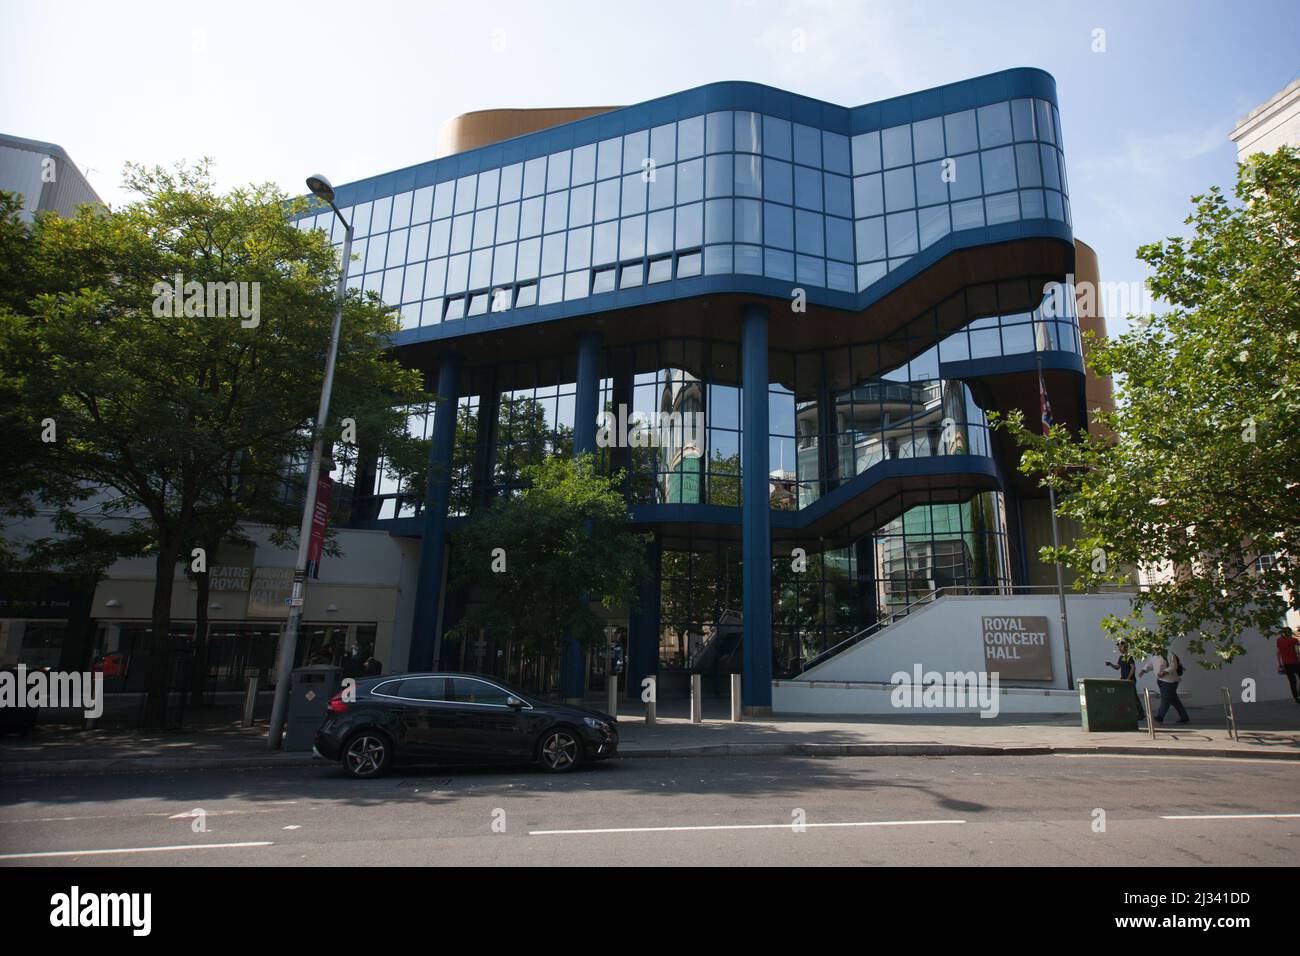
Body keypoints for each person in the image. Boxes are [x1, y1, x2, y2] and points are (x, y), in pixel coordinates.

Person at [1105, 641, 1149, 720]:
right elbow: (1118, 667)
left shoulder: (1129, 657)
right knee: (1124, 697)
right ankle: (1127, 712)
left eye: (1121, 646)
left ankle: (1141, 714)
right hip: (1123, 680)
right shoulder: (1121, 657)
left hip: (1130, 680)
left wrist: (1128, 678)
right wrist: (1110, 664)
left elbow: (1133, 668)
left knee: (1134, 697)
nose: (1119, 648)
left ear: (1125, 647)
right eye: (1119, 646)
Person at [1152, 649, 1190, 724]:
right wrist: (1143, 670)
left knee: (1165, 699)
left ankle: (1160, 717)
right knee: (1174, 701)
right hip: (1161, 681)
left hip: (1170, 681)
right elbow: (1151, 664)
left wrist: (1164, 672)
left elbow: (1173, 666)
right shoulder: (1154, 655)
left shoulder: (1169, 654)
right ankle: (1184, 717)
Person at [1277, 628, 1300, 703]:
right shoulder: (1294, 640)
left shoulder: (1279, 640)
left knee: (1292, 681)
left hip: (1286, 664)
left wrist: (1279, 663)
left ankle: (1296, 698)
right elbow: (1297, 652)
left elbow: (1278, 652)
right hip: (1296, 663)